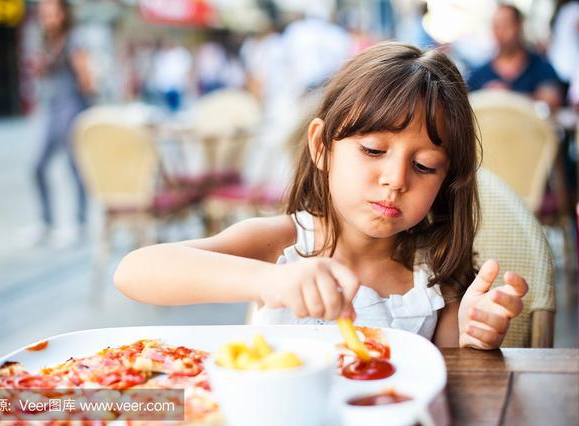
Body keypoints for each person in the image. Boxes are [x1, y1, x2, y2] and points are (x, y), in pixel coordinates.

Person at [114, 42, 529, 350]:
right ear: (321, 146)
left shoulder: (436, 273)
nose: (395, 180)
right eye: (372, 151)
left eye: (423, 166)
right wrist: (273, 280)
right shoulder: (283, 243)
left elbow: (444, 373)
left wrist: (477, 334)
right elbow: (135, 272)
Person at [33, 0, 93, 245]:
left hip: (71, 108)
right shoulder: (47, 42)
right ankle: (46, 222)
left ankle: (79, 224)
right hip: (53, 109)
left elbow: (87, 79)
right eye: (43, 13)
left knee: (74, 168)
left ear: (63, 14)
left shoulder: (73, 40)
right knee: (37, 167)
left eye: (51, 12)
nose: (46, 18)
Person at [467, 4, 563, 111]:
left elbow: (552, 101)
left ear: (519, 26)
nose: (500, 32)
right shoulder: (479, 73)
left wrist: (510, 96)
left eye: (506, 25)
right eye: (496, 26)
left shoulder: (541, 67)